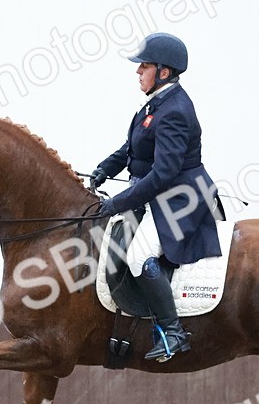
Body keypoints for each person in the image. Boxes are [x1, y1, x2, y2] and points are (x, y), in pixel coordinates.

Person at [94, 32, 222, 362]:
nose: (137, 72)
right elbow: (133, 146)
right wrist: (104, 169)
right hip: (162, 192)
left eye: (144, 66)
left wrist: (118, 202)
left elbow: (164, 173)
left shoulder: (175, 110)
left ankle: (172, 333)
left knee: (139, 257)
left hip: (182, 196)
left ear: (163, 72)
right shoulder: (157, 102)